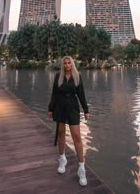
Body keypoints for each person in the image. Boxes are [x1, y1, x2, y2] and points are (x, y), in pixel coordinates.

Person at [48, 56, 89, 187]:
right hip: (59, 107)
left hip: (72, 107)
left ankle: (81, 168)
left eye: (69, 63)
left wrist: (86, 109)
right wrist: (50, 108)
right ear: (62, 65)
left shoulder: (77, 76)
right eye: (65, 63)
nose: (67, 65)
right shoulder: (58, 77)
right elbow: (54, 93)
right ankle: (62, 159)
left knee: (77, 137)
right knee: (61, 134)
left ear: (72, 64)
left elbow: (81, 94)